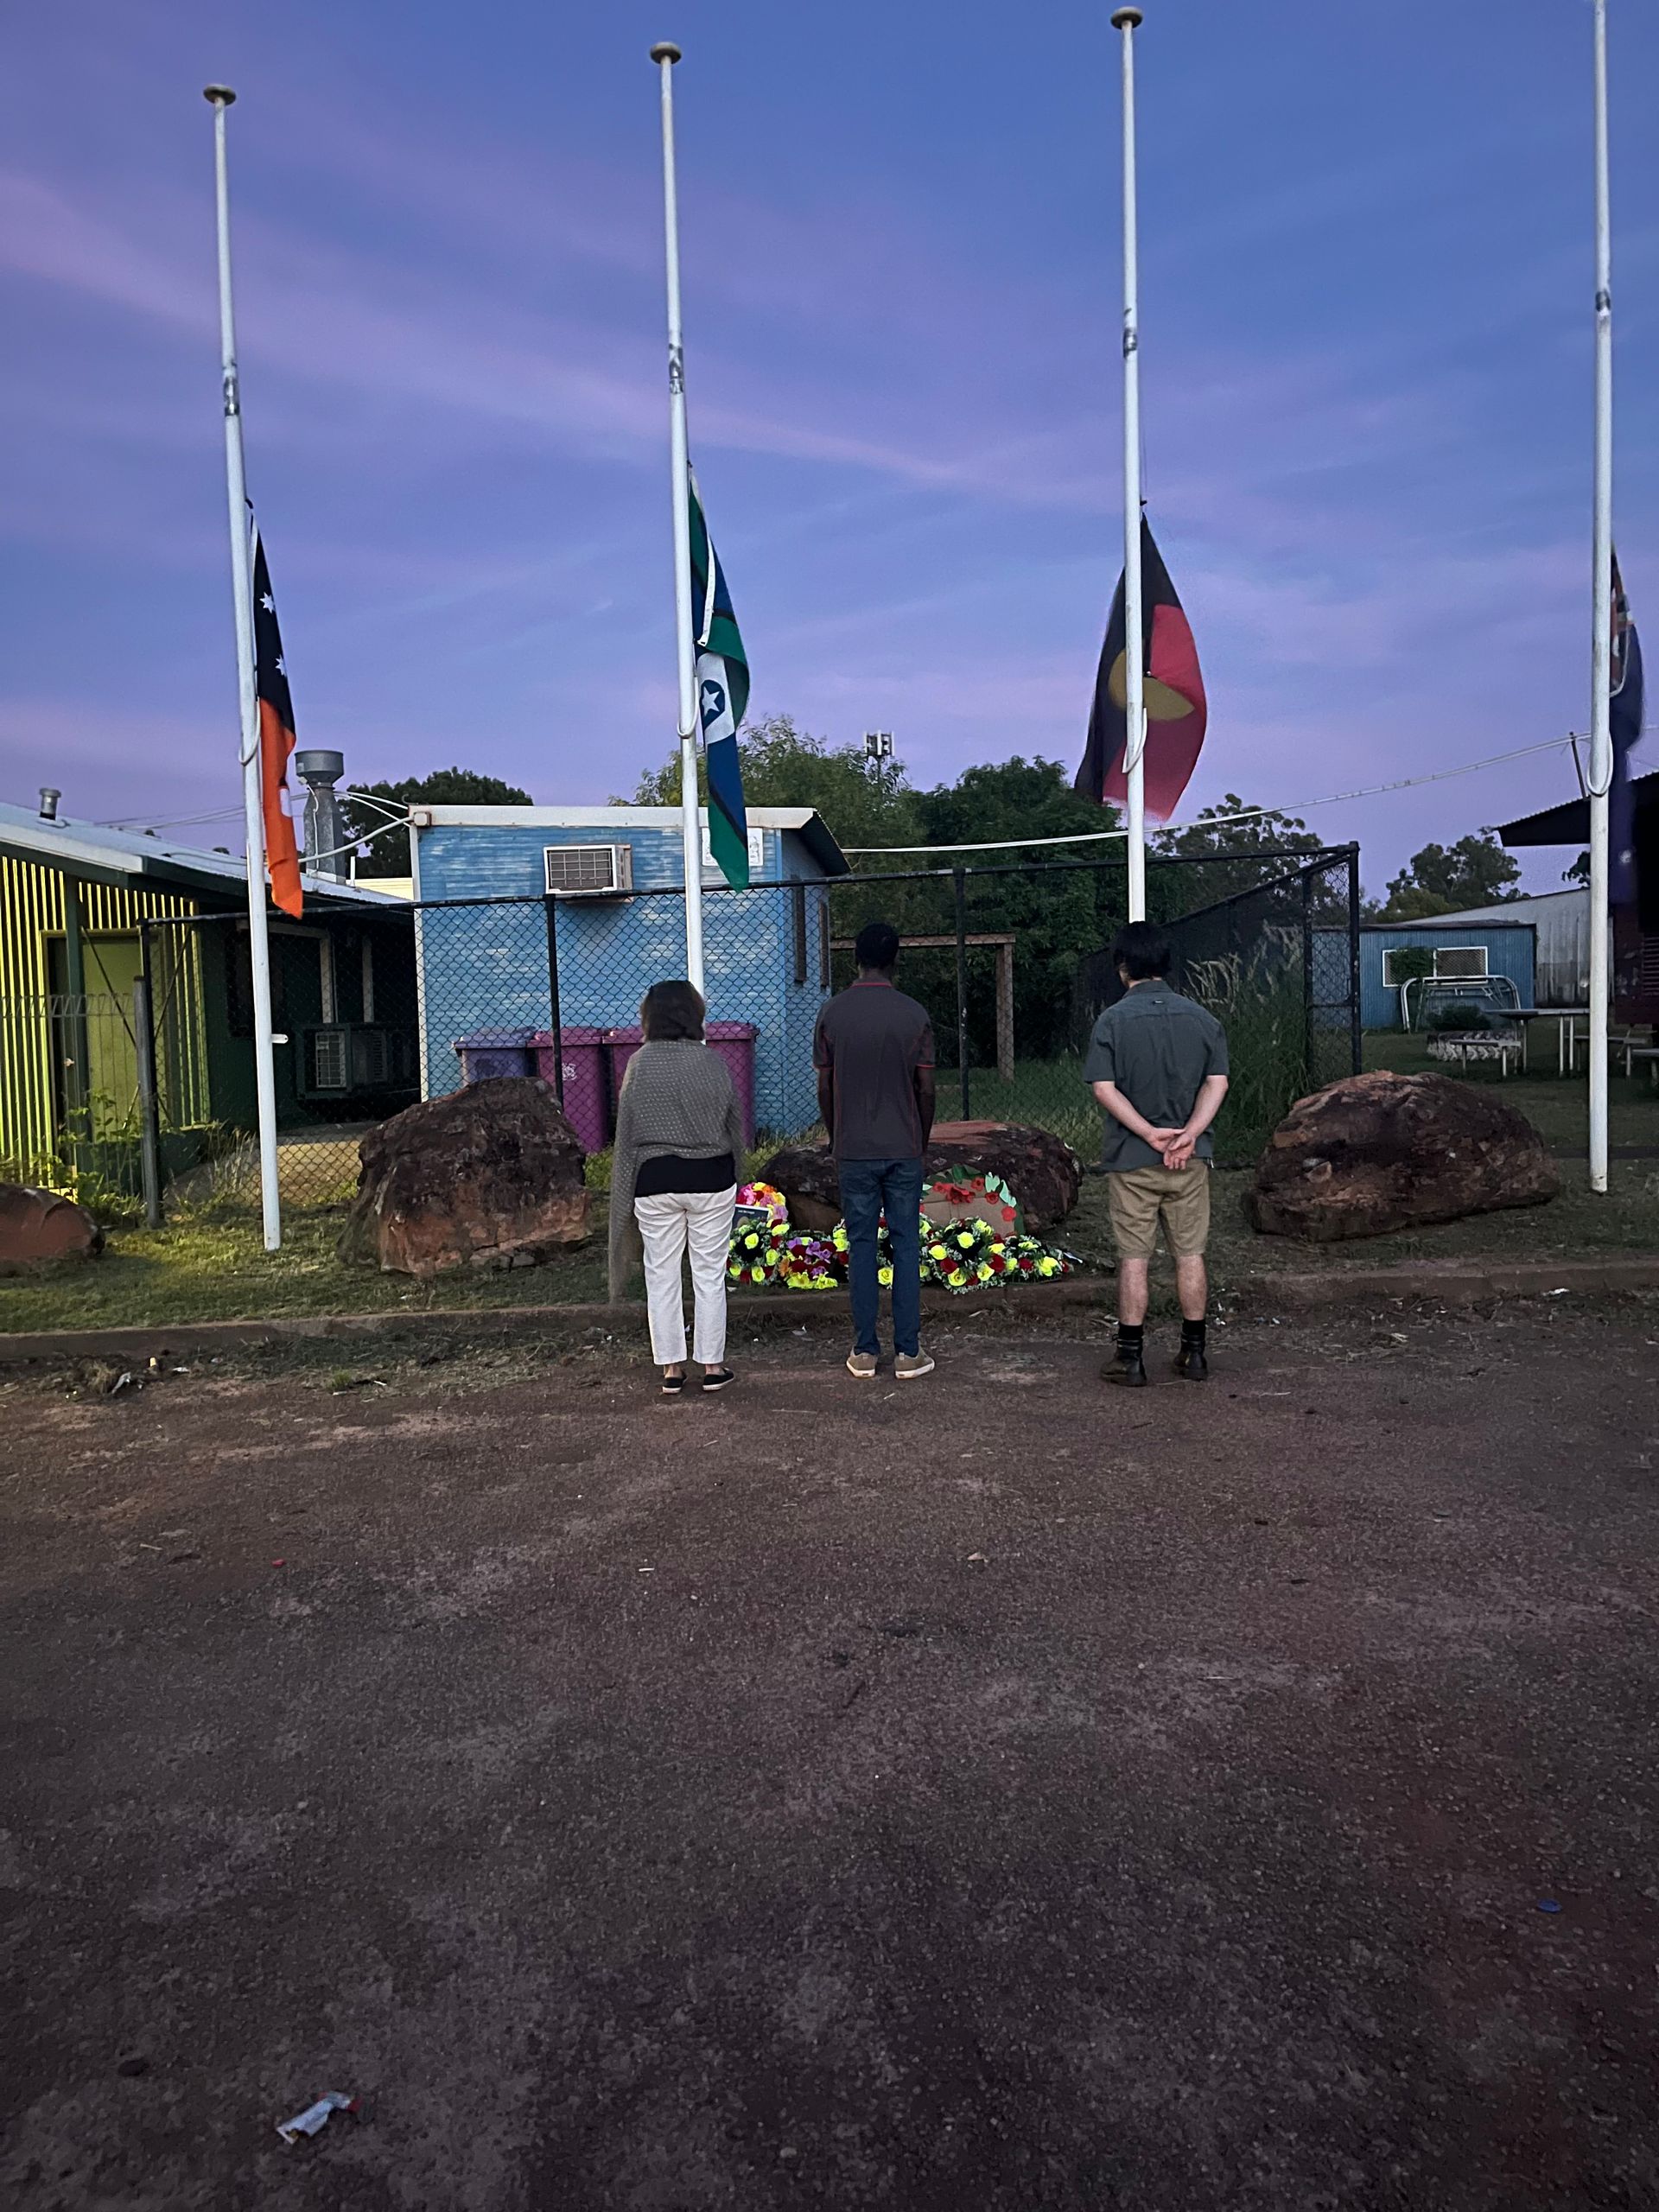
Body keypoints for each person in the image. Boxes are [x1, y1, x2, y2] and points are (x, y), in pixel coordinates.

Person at [1083, 920, 1230, 1387]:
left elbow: (1104, 1089)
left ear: (1122, 966)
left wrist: (1149, 1134)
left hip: (1132, 1159)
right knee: (1190, 1255)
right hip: (1189, 1159)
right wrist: (1189, 1133)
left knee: (1134, 1258)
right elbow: (1217, 1082)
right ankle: (1195, 1353)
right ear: (1166, 964)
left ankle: (1130, 1358)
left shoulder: (1110, 1022)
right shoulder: (1203, 1019)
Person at [608, 979, 746, 1396]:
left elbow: (627, 1135)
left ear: (650, 1018)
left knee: (662, 1274)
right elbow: (735, 1126)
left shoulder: (639, 1063)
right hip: (711, 1178)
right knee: (709, 1273)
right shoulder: (714, 1062)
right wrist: (742, 1173)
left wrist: (624, 1190)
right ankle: (713, 1366)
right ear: (695, 1015)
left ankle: (671, 1369)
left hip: (656, 1181)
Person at [813, 920, 937, 1381]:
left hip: (853, 1147)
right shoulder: (914, 1014)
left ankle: (864, 1350)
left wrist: (835, 1132)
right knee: (907, 1245)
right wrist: (920, 1138)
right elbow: (926, 1087)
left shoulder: (832, 1013)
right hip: (902, 1145)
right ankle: (909, 1352)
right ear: (895, 959)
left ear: (856, 959)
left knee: (861, 1245)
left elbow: (825, 1083)